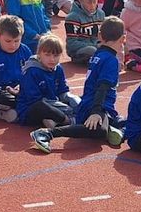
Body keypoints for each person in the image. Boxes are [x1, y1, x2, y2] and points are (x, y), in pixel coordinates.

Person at [30, 17, 128, 151]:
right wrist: (96, 112)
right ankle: (48, 133)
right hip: (94, 106)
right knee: (99, 131)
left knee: (122, 121)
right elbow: (102, 88)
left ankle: (112, 125)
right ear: (123, 39)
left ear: (100, 35)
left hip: (89, 103)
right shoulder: (111, 60)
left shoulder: (98, 54)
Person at [17, 33, 79, 128]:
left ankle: (54, 120)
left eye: (56, 55)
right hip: (31, 108)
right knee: (41, 107)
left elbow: (63, 91)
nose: (52, 59)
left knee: (80, 100)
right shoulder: (32, 71)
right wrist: (65, 108)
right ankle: (67, 121)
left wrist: (73, 100)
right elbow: (34, 100)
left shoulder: (58, 68)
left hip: (53, 103)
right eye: (47, 55)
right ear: (39, 54)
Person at [64, 0, 105, 64]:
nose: (92, 6)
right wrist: (96, 46)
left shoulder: (101, 14)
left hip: (97, 46)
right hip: (79, 50)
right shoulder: (73, 17)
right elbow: (72, 43)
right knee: (92, 51)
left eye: (95, 2)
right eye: (89, 3)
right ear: (80, 0)